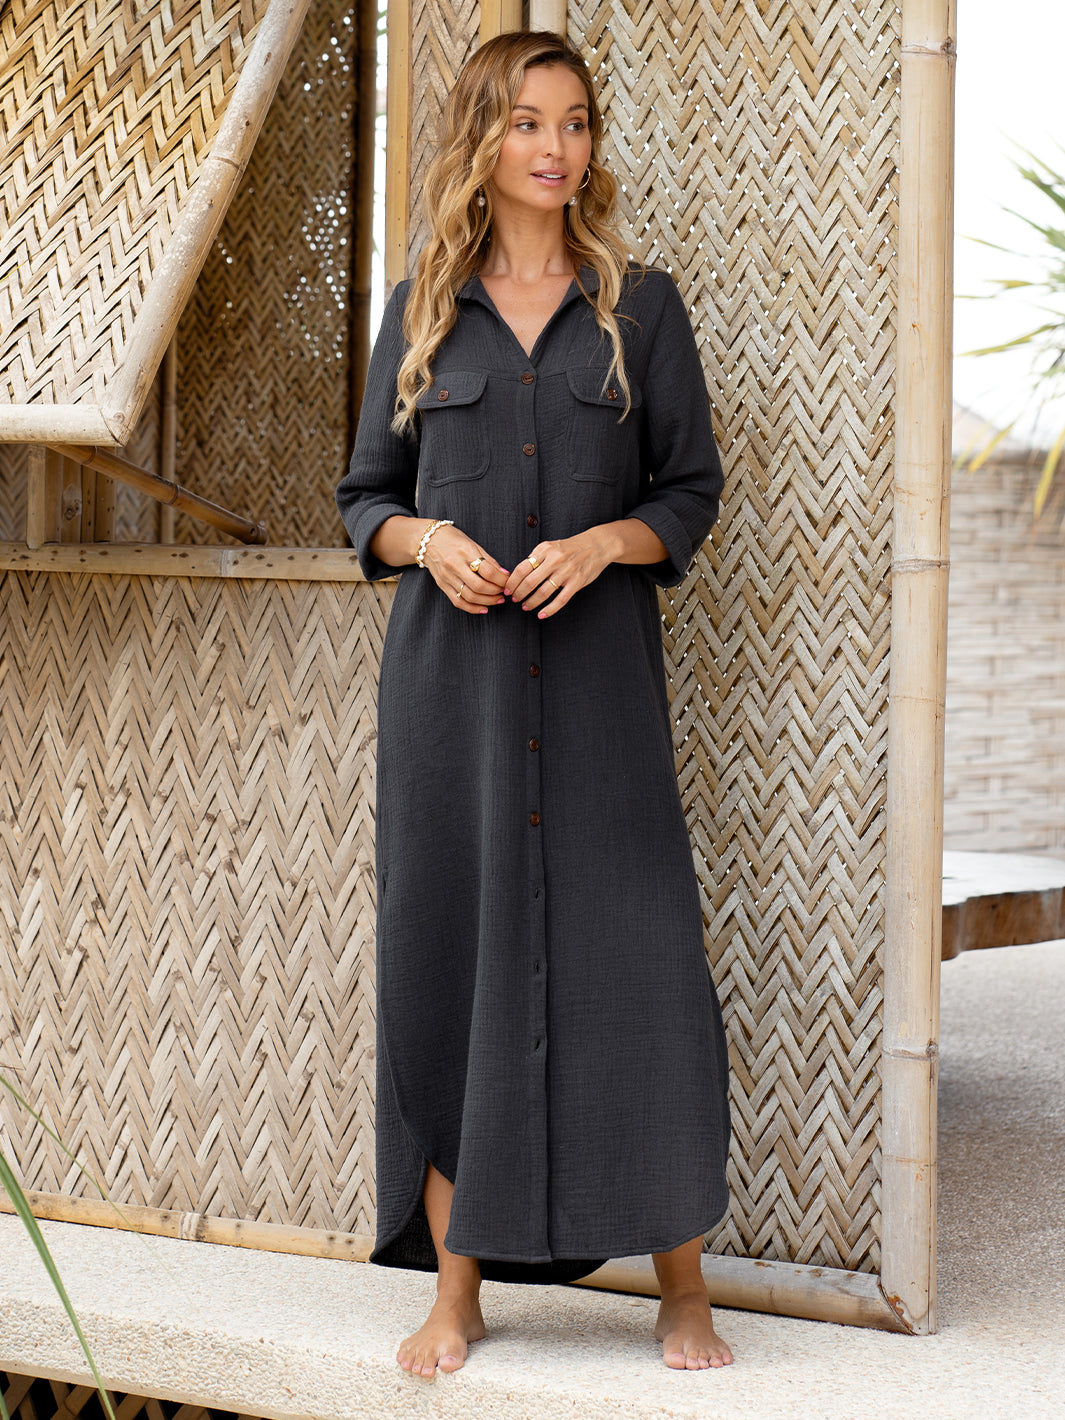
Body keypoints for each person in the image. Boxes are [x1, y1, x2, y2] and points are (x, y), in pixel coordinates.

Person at [336, 29, 733, 1378]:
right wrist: (426, 541)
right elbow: (362, 501)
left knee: (640, 972)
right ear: (482, 141)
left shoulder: (643, 311)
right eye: (525, 122)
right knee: (452, 965)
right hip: (449, 703)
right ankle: (456, 1293)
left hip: (600, 703)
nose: (554, 147)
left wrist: (602, 544)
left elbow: (686, 492)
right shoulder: (420, 313)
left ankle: (681, 1288)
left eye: (572, 123)